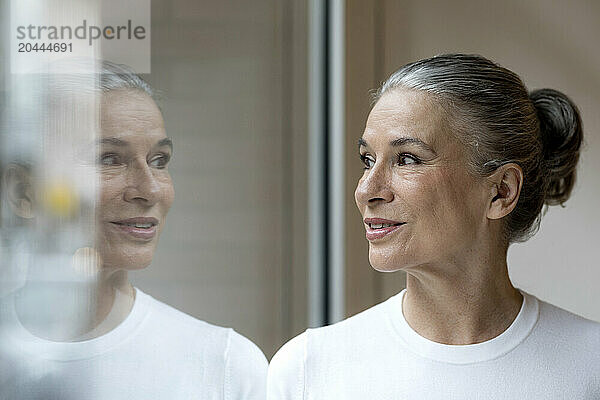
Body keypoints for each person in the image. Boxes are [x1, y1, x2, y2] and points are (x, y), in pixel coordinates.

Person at [268, 54, 600, 399]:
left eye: (407, 159)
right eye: (368, 160)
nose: (365, 190)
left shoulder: (591, 367)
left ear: (501, 191)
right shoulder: (308, 370)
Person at [0, 61, 267, 399]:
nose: (150, 189)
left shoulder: (225, 367)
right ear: (24, 193)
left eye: (159, 161)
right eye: (108, 158)